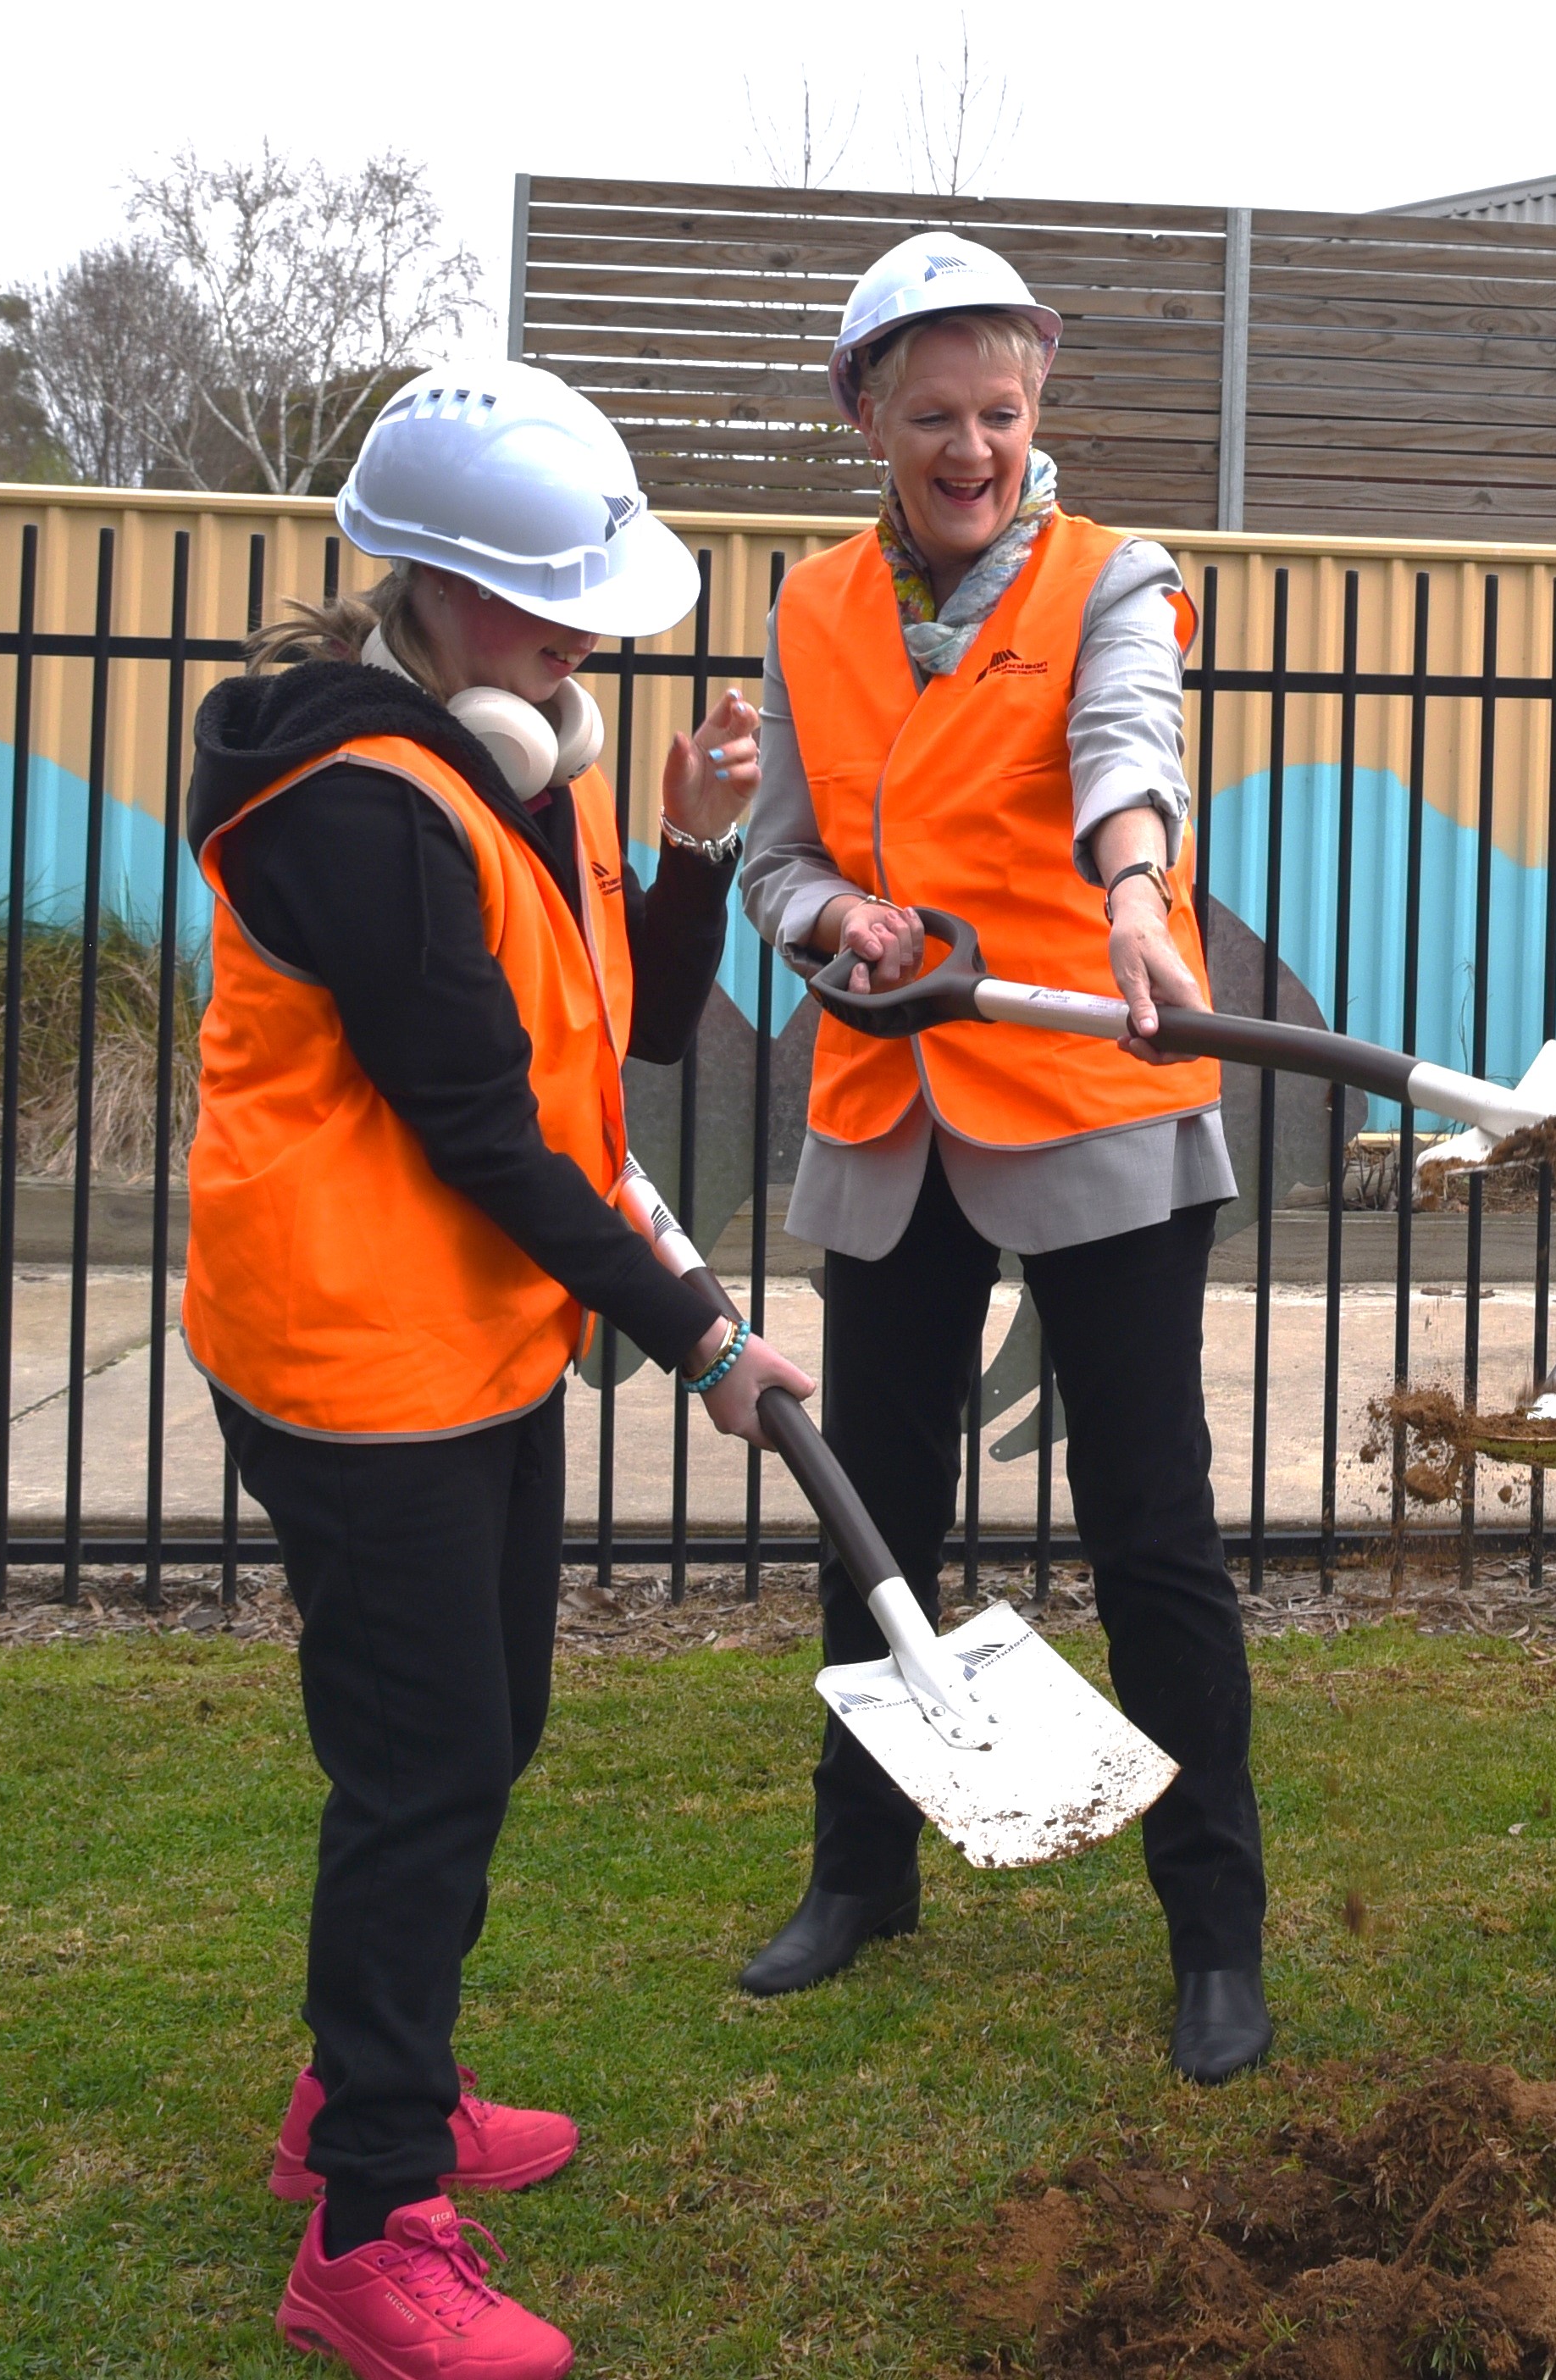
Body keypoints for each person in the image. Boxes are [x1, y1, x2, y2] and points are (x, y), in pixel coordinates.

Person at [182, 359, 800, 2380]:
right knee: (421, 1761)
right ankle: (367, 2223)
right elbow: (477, 1121)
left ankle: (369, 2083)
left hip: (470, 1343)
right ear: (435, 590)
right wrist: (695, 1326)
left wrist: (692, 850)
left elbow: (613, 1035)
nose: (590, 640)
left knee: (482, 1725)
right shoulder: (354, 809)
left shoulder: (515, 761)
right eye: (555, 605)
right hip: (352, 1348)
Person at [730, 229, 1273, 2085]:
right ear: (868, 415)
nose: (971, 446)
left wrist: (1133, 895)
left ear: (1037, 408)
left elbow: (1131, 752)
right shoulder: (807, 609)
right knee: (871, 1514)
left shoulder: (1117, 575)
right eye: (934, 413)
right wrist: (841, 925)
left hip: (1092, 1098)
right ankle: (858, 1871)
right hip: (889, 1112)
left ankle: (1215, 1929)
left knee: (1150, 1531)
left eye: (1002, 408)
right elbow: (776, 862)